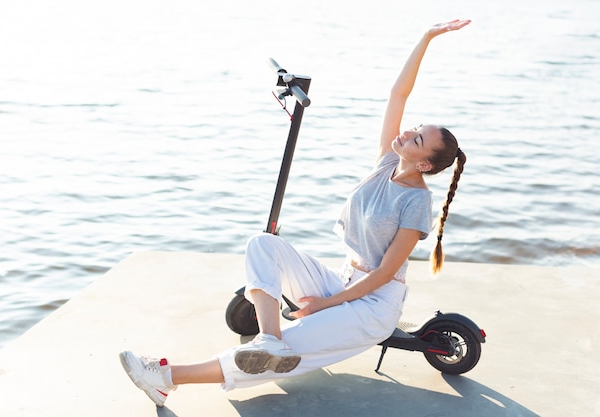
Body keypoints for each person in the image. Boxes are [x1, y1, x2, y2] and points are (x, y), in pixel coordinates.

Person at [119, 19, 471, 407]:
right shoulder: (388, 161)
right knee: (263, 245)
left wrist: (323, 305)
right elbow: (397, 95)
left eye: (417, 138)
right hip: (343, 281)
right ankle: (269, 338)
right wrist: (426, 38)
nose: (407, 132)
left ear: (424, 165)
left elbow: (387, 273)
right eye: (416, 127)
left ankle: (166, 378)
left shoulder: (417, 202)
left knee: (287, 349)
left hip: (373, 304)